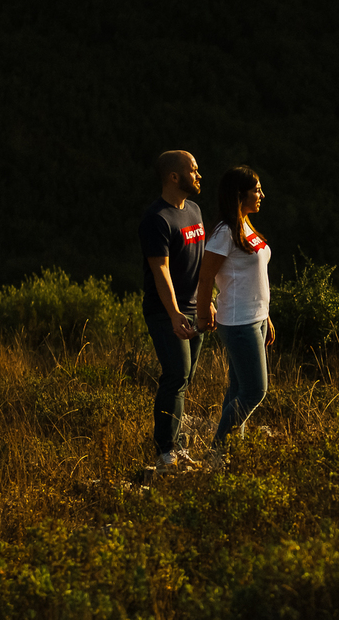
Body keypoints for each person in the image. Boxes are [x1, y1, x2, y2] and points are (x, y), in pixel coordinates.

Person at [138, 149, 211, 470]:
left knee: (186, 377)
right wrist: (174, 314)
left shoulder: (194, 210)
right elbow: (161, 271)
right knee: (175, 376)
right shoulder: (156, 219)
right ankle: (165, 451)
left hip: (196, 308)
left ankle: (177, 447)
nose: (198, 175)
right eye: (193, 170)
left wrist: (208, 298)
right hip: (166, 312)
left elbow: (202, 261)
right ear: (173, 177)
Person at [197, 165, 274, 465]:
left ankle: (230, 454)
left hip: (254, 319)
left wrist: (266, 316)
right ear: (239, 195)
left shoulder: (245, 225)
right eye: (256, 190)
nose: (261, 195)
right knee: (255, 390)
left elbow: (253, 277)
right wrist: (204, 316)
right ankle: (217, 452)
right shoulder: (224, 233)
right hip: (238, 322)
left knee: (237, 389)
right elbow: (205, 280)